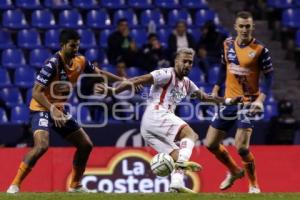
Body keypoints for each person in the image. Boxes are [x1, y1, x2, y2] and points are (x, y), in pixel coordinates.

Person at [95, 48, 241, 193]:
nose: (188, 65)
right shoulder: (166, 73)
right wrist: (113, 91)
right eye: (184, 61)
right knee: (191, 135)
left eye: (190, 62)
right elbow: (137, 80)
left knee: (177, 156)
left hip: (148, 128)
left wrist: (228, 101)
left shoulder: (188, 84)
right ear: (176, 61)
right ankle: (183, 164)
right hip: (156, 112)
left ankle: (176, 184)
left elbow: (206, 98)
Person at [7, 29, 124, 194]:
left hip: (58, 110)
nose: (75, 49)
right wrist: (52, 109)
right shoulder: (52, 64)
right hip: (41, 108)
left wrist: (123, 81)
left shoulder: (80, 61)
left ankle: (75, 185)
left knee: (85, 145)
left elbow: (100, 73)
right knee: (42, 145)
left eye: (77, 45)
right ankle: (14, 185)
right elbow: (36, 92)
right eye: (72, 46)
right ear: (62, 45)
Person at [204, 11, 274, 193]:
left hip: (248, 103)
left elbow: (269, 77)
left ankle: (253, 185)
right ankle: (234, 171)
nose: (244, 29)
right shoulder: (227, 44)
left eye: (247, 26)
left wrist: (260, 100)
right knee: (210, 144)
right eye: (241, 26)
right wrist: (216, 88)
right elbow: (222, 67)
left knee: (241, 147)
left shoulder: (260, 50)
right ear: (235, 27)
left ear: (252, 27)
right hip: (229, 102)